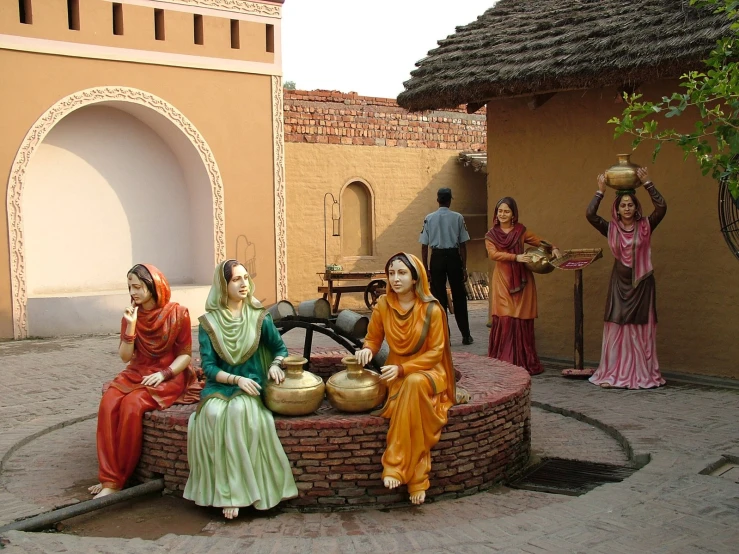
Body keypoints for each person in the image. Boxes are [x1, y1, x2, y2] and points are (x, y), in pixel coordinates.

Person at [184, 260, 298, 519]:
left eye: (246, 277)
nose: (244, 283)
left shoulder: (259, 317)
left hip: (251, 385)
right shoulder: (209, 323)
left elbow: (280, 349)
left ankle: (240, 493)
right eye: (236, 279)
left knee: (238, 414)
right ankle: (221, 492)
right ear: (223, 285)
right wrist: (235, 380)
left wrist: (276, 365)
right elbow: (209, 368)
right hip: (220, 385)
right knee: (209, 417)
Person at [89, 264, 200, 499]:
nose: (133, 292)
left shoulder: (178, 313)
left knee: (132, 406)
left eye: (137, 286)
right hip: (137, 371)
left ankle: (118, 479)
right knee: (108, 403)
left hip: (168, 375)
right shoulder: (132, 314)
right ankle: (108, 476)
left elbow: (186, 355)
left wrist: (165, 374)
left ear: (153, 286)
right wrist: (130, 326)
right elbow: (125, 357)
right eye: (130, 287)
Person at [355, 252, 457, 506]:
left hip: (430, 373)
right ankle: (417, 479)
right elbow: (374, 338)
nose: (395, 278)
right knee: (411, 397)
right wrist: (368, 349)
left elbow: (435, 353)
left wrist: (404, 369)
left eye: (402, 273)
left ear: (416, 278)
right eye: (391, 273)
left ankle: (396, 466)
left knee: (413, 384)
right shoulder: (383, 305)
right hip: (396, 373)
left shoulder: (432, 309)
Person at [586, 168, 666, 389]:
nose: (627, 208)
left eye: (631, 204)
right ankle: (614, 371)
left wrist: (648, 183)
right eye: (623, 205)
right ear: (617, 209)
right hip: (619, 285)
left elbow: (662, 207)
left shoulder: (646, 226)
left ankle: (640, 372)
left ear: (636, 207)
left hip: (642, 284)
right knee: (617, 324)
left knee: (640, 327)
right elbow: (590, 215)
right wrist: (600, 192)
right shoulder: (611, 229)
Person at [485, 198, 561, 375]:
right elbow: (493, 254)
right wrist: (516, 257)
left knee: (520, 318)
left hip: (522, 280)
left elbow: (539, 241)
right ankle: (504, 361)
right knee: (505, 317)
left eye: (506, 211)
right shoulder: (491, 235)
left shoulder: (520, 231)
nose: (502, 214)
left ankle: (523, 360)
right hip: (503, 279)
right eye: (500, 211)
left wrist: (553, 248)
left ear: (513, 214)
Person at [419, 187, 474, 345]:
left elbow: (424, 246)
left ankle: (445, 336)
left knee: (438, 297)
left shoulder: (429, 218)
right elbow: (463, 245)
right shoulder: (457, 217)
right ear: (450, 200)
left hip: (436, 258)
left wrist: (426, 268)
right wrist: (464, 267)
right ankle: (466, 335)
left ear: (438, 200)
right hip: (453, 257)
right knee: (459, 297)